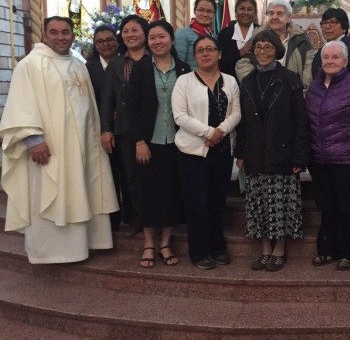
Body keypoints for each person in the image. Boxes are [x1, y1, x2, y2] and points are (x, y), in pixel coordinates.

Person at [0, 16, 118, 264]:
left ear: (72, 35)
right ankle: (50, 252)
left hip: (83, 145)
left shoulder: (77, 61)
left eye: (65, 32)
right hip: (50, 147)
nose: (60, 37)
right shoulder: (31, 65)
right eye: (54, 32)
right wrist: (34, 140)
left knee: (82, 187)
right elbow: (22, 104)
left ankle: (85, 244)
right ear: (44, 34)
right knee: (51, 192)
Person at [235, 30, 310, 272]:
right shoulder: (247, 81)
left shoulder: (289, 78)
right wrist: (240, 153)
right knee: (259, 204)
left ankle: (280, 249)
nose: (263, 52)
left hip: (283, 151)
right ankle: (265, 249)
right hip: (256, 152)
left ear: (277, 49)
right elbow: (244, 121)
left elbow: (300, 120)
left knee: (281, 204)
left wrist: (300, 156)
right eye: (258, 48)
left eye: (268, 47)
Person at [172, 35, 241, 270]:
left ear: (219, 54)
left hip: (221, 151)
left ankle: (218, 247)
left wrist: (219, 132)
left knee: (217, 202)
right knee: (196, 204)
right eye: (200, 50)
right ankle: (200, 251)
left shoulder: (230, 81)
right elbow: (180, 116)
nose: (205, 53)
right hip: (192, 152)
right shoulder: (184, 81)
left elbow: (236, 112)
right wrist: (208, 133)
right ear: (195, 55)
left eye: (210, 49)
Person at [126, 19, 190, 268]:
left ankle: (166, 242)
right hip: (148, 142)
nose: (157, 41)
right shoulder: (140, 69)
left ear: (171, 39)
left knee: (172, 193)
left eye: (162, 36)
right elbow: (131, 108)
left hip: (177, 142)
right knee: (148, 193)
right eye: (152, 37)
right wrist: (139, 140)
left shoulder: (184, 69)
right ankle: (149, 243)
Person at [305, 40, 350, 271]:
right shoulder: (314, 86)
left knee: (347, 207)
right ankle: (326, 250)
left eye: (336, 57)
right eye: (326, 57)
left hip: (346, 159)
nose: (330, 61)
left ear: (345, 61)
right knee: (326, 206)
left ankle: (348, 252)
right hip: (319, 160)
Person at [101, 15, 150, 227]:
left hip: (153, 128)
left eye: (135, 30)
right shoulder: (117, 63)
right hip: (124, 129)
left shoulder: (154, 58)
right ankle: (135, 219)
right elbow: (107, 99)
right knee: (130, 177)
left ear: (145, 32)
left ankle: (156, 219)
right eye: (126, 31)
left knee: (153, 177)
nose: (130, 35)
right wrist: (106, 129)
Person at [86, 25, 122, 230]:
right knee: (107, 172)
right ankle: (112, 215)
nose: (105, 44)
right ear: (95, 45)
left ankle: (130, 213)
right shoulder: (87, 67)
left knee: (125, 171)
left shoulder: (125, 61)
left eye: (109, 39)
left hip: (125, 127)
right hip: (100, 127)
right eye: (100, 41)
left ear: (117, 41)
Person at [236, 0, 315, 88]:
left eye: (279, 14)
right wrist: (256, 84)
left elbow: (309, 68)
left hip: (292, 91)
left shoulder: (301, 40)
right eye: (271, 13)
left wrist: (303, 90)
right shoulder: (257, 37)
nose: (274, 17)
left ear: (289, 17)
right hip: (263, 92)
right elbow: (242, 64)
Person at [311, 8, 350, 79]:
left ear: (344, 27)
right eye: (324, 23)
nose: (327, 26)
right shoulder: (323, 49)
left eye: (332, 23)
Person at [218, 0, 259, 79]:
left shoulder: (261, 32)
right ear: (236, 12)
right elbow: (220, 62)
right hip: (230, 83)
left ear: (255, 13)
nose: (246, 12)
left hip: (258, 83)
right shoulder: (225, 34)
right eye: (242, 9)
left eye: (250, 9)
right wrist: (240, 53)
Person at [175, 0, 217, 69]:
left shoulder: (214, 37)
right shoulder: (183, 34)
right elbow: (178, 64)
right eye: (201, 10)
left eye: (209, 11)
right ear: (194, 11)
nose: (205, 14)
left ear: (214, 14)